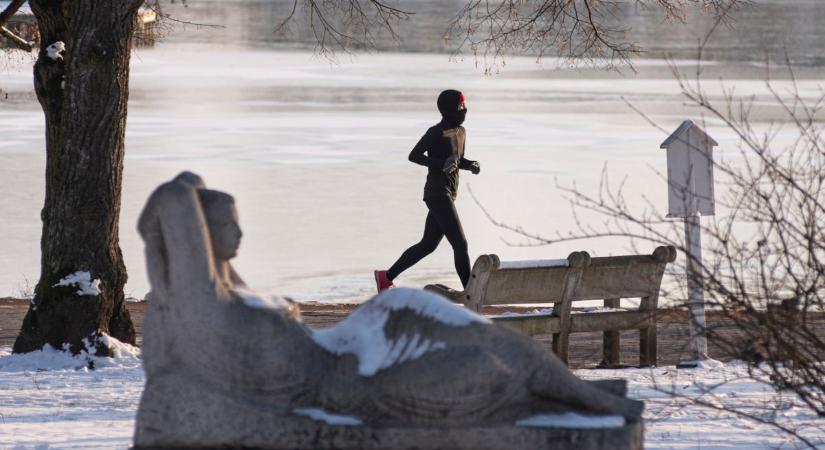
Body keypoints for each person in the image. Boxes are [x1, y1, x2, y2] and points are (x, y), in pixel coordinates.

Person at [374, 89, 480, 292]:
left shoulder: (461, 132)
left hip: (449, 193)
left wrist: (470, 165)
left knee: (428, 245)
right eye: (461, 107)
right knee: (460, 244)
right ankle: (471, 293)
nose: (464, 110)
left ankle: (385, 277)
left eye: (465, 107)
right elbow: (414, 155)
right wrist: (441, 164)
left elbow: (456, 161)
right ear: (448, 110)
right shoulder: (435, 132)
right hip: (437, 193)